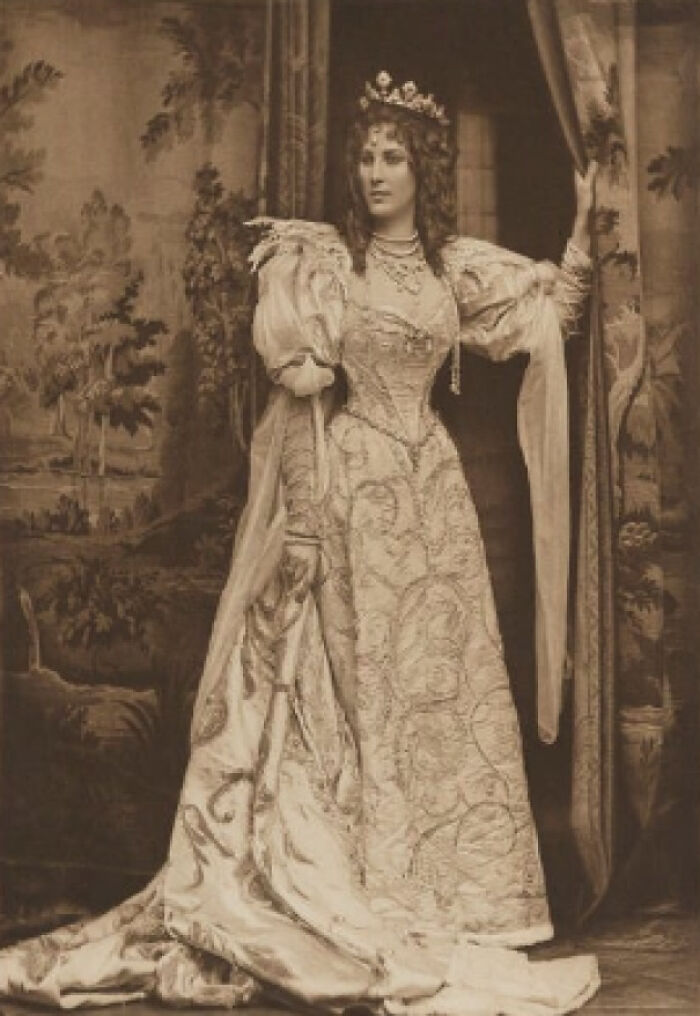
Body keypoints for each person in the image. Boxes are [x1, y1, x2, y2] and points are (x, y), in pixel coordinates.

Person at [0, 73, 600, 1014]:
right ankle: (364, 885)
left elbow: (549, 316)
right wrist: (310, 524)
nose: (373, 173)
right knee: (355, 693)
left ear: (424, 169)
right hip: (353, 489)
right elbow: (304, 405)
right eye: (363, 157)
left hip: (434, 502)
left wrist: (586, 226)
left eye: (393, 156)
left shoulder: (454, 268)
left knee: (439, 692)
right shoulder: (322, 264)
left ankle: (456, 898)